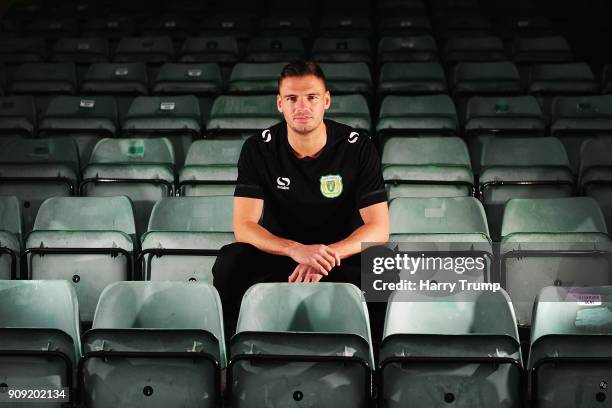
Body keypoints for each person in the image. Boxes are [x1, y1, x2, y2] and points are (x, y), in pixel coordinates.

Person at [212, 60, 390, 339]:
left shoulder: (358, 147)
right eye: (292, 98)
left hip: (340, 257)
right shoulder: (258, 148)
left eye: (311, 97)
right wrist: (295, 249)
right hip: (282, 256)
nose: (302, 106)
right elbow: (244, 226)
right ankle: (229, 360)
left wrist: (323, 257)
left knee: (383, 265)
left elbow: (379, 228)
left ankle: (375, 368)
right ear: (280, 103)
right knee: (230, 260)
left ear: (326, 100)